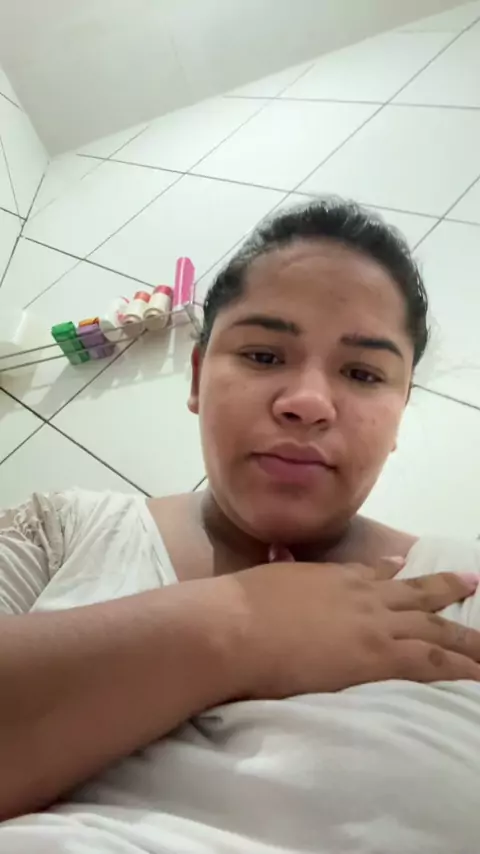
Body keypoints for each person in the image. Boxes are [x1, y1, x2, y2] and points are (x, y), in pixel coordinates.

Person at [1, 198, 480, 854]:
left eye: (363, 373)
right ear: (198, 377)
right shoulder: (56, 534)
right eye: (262, 355)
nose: (307, 402)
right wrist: (243, 623)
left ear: (400, 410)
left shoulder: (467, 590)